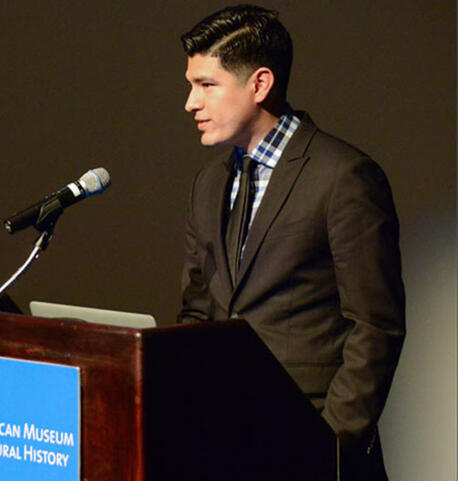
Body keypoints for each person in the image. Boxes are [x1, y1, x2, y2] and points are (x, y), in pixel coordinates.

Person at [177, 5, 405, 480]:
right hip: (224, 449)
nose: (190, 103)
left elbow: (375, 327)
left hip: (311, 451)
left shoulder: (343, 177)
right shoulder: (208, 184)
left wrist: (329, 445)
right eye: (191, 85)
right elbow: (197, 313)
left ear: (259, 84)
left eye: (206, 85)